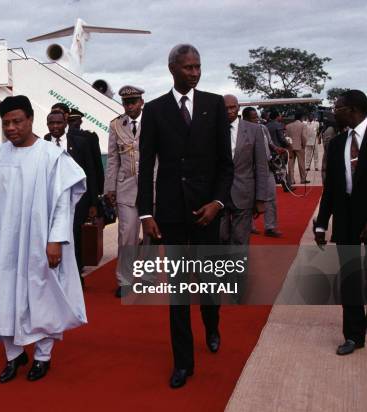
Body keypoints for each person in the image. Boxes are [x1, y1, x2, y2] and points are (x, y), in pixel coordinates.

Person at [0, 95, 87, 383]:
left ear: (31, 119)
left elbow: (62, 202)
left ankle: (42, 357)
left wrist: (56, 239)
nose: (11, 128)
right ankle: (13, 355)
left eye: (17, 121)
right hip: (1, 244)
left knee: (42, 297)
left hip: (38, 243)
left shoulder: (51, 156)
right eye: (6, 122)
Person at [136, 44, 233, 389]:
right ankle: (182, 362)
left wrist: (218, 203)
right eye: (188, 67)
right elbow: (146, 164)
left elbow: (226, 164)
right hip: (172, 212)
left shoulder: (213, 105)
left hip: (207, 211)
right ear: (172, 69)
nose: (195, 72)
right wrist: (146, 212)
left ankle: (212, 323)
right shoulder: (156, 110)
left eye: (198, 66)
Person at [314, 90, 367, 355]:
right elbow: (331, 190)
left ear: (352, 109)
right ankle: (353, 335)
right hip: (346, 218)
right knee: (350, 277)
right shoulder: (337, 144)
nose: (333, 111)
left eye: (337, 107)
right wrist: (321, 224)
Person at [44, 111, 98, 281]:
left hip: (77, 201)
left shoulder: (80, 143)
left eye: (58, 123)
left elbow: (90, 172)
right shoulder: (41, 144)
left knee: (74, 236)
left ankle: (76, 276)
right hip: (50, 203)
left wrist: (93, 203)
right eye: (51, 123)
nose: (55, 127)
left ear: (65, 123)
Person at [105, 85, 145, 297]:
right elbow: (112, 159)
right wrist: (109, 188)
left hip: (151, 187)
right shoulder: (116, 125)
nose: (130, 106)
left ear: (141, 102)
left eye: (134, 102)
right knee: (127, 235)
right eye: (126, 103)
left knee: (150, 235)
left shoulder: (154, 121)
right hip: (126, 187)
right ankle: (125, 280)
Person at [220, 99, 270, 246]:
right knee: (219, 238)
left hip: (244, 193)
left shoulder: (254, 130)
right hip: (218, 195)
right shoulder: (212, 128)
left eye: (232, 107)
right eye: (225, 108)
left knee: (240, 240)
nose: (229, 111)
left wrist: (261, 198)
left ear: (238, 108)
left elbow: (261, 166)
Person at [243, 108, 284, 238]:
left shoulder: (263, 128)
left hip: (266, 167)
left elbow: (270, 143)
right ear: (245, 119)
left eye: (257, 117)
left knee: (271, 197)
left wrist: (277, 148)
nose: (257, 120)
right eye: (253, 118)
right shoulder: (241, 131)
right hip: (248, 169)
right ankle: (248, 226)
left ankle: (270, 227)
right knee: (247, 199)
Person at [68, 108, 104, 195]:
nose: (72, 123)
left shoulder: (90, 137)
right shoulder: (63, 137)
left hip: (86, 183)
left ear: (80, 121)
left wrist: (99, 188)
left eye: (74, 120)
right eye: (70, 121)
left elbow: (97, 163)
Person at [285, 112, 309, 185]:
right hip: (300, 146)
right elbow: (304, 136)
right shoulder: (303, 125)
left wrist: (289, 145)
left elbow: (287, 137)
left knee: (291, 164)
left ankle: (291, 180)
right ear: (301, 117)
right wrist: (304, 145)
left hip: (291, 147)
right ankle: (303, 179)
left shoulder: (288, 126)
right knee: (301, 163)